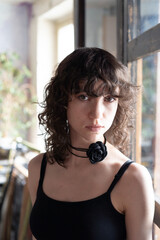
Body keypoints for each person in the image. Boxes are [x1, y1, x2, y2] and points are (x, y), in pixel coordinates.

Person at [28, 47, 155, 240]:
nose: (97, 113)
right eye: (84, 97)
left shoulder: (132, 179)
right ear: (63, 101)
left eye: (109, 98)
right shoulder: (38, 167)